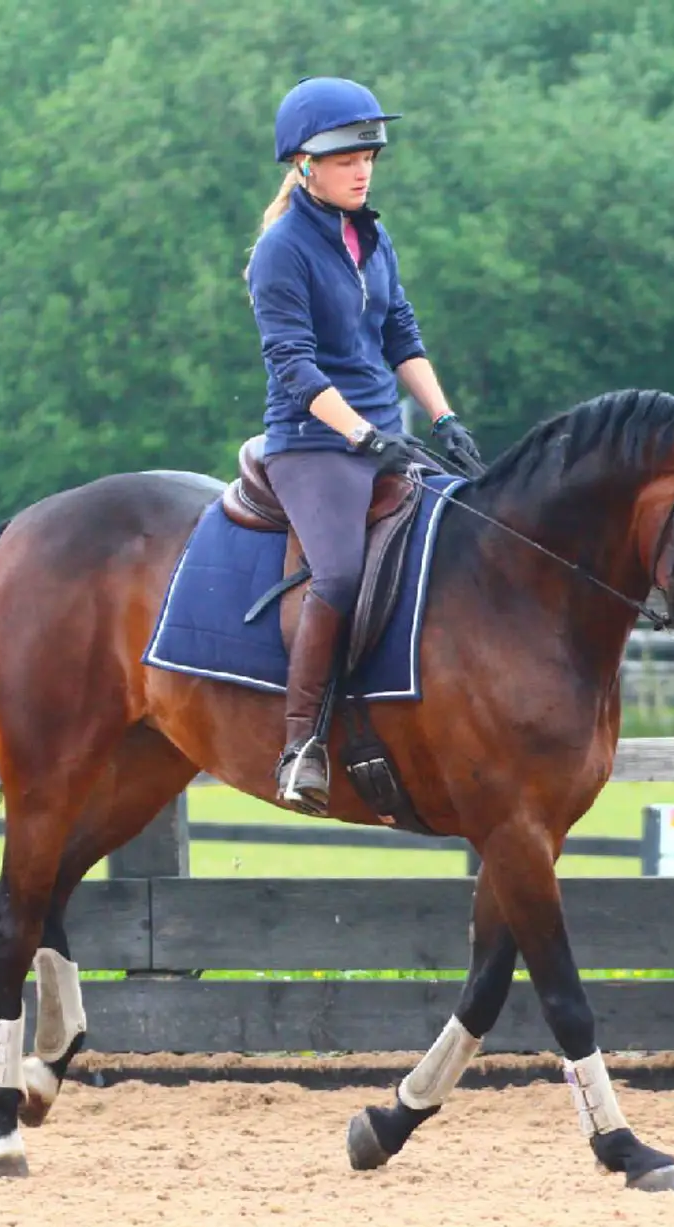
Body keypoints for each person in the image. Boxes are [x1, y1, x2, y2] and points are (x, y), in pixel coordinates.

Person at [245, 76, 484, 815]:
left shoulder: (373, 238)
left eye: (370, 153)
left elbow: (401, 336)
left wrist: (445, 421)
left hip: (384, 435)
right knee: (341, 573)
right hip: (313, 443)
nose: (363, 166)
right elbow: (294, 364)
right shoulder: (281, 250)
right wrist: (361, 433)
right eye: (346, 155)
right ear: (304, 164)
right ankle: (300, 746)